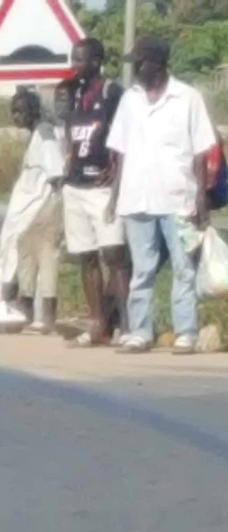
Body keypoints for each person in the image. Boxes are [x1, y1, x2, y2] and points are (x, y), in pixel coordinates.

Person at [105, 36, 217, 354]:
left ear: (157, 63)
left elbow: (199, 151)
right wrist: (114, 198)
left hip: (178, 198)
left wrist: (200, 197)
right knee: (142, 269)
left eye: (140, 63)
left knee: (184, 268)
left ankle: (186, 332)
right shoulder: (130, 100)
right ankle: (140, 331)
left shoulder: (187, 98)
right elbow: (121, 154)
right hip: (136, 198)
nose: (136, 70)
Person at [59, 38, 131, 347]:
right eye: (73, 60)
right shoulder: (70, 93)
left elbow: (127, 135)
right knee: (86, 257)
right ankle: (97, 322)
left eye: (81, 60)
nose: (76, 66)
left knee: (114, 254)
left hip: (102, 187)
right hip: (75, 185)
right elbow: (67, 132)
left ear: (97, 61)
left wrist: (117, 170)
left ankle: (128, 326)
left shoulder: (113, 93)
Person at [0, 89, 65, 333]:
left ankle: (43, 317)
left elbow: (56, 175)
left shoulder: (45, 136)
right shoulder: (35, 135)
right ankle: (21, 310)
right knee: (21, 258)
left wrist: (49, 212)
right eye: (13, 112)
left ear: (32, 111)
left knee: (41, 260)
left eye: (20, 111)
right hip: (27, 209)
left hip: (40, 209)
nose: (16, 117)